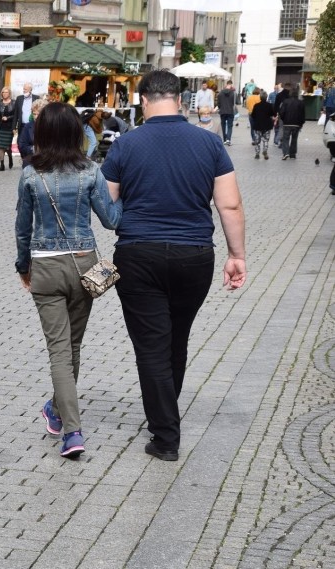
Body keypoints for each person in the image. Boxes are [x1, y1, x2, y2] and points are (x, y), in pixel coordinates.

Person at [100, 70, 247, 462]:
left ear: (144, 99)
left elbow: (106, 208)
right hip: (194, 255)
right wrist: (238, 256)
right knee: (175, 338)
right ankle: (165, 415)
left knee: (151, 346)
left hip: (138, 254)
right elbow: (229, 204)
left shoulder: (125, 145)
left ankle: (165, 436)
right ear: (179, 100)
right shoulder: (210, 144)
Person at [14, 102, 122, 459]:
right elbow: (110, 219)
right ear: (78, 132)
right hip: (83, 266)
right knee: (72, 347)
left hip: (44, 267)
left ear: (42, 134)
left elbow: (22, 227)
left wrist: (23, 265)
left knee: (60, 350)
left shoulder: (31, 173)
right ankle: (61, 416)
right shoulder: (90, 170)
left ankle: (69, 427)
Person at [17, 98, 48, 167]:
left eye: (38, 114)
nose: (36, 117)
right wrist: (34, 149)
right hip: (31, 162)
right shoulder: (28, 126)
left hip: (48, 163)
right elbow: (22, 146)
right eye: (34, 114)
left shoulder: (51, 126)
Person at [0, 87, 16, 170]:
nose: (4, 94)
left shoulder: (14, 103)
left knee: (7, 147)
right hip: (0, 127)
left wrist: (8, 118)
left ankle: (10, 157)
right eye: (3, 92)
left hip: (9, 128)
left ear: (9, 93)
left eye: (6, 92)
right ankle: (2, 164)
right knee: (0, 147)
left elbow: (16, 116)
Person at [278, 88, 305, 160]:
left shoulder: (285, 101)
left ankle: (286, 153)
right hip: (296, 124)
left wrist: (284, 120)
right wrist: (301, 123)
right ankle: (293, 154)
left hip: (287, 123)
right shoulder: (301, 102)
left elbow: (281, 112)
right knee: (294, 139)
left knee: (285, 139)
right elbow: (303, 114)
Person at [250, 91, 276, 160]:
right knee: (266, 140)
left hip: (258, 125)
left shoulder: (256, 105)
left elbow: (253, 115)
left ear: (260, 97)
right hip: (267, 126)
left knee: (257, 141)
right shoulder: (270, 105)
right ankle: (265, 151)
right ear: (266, 97)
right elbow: (273, 114)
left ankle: (257, 154)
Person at [217, 81, 236, 145]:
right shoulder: (233, 93)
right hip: (230, 111)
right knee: (230, 126)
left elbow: (218, 103)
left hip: (222, 111)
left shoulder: (220, 93)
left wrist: (220, 107)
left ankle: (224, 139)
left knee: (223, 125)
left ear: (226, 85)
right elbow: (235, 103)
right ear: (231, 85)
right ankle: (228, 139)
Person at [273, 82, 292, 147]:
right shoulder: (290, 96)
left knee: (281, 128)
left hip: (281, 114)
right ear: (289, 87)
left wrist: (275, 115)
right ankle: (281, 142)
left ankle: (279, 141)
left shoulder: (279, 95)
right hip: (289, 115)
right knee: (286, 129)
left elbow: (275, 106)